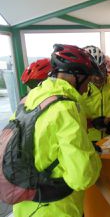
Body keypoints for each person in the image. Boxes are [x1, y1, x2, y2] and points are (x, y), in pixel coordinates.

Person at [13, 44, 102, 217]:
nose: (86, 89)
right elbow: (82, 177)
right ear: (77, 76)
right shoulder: (66, 108)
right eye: (88, 81)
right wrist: (95, 158)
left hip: (24, 204)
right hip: (56, 209)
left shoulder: (31, 98)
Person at [82, 45, 110, 142]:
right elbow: (72, 120)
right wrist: (92, 123)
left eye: (102, 70)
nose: (98, 77)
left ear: (105, 65)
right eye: (93, 73)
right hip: (89, 142)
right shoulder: (80, 89)